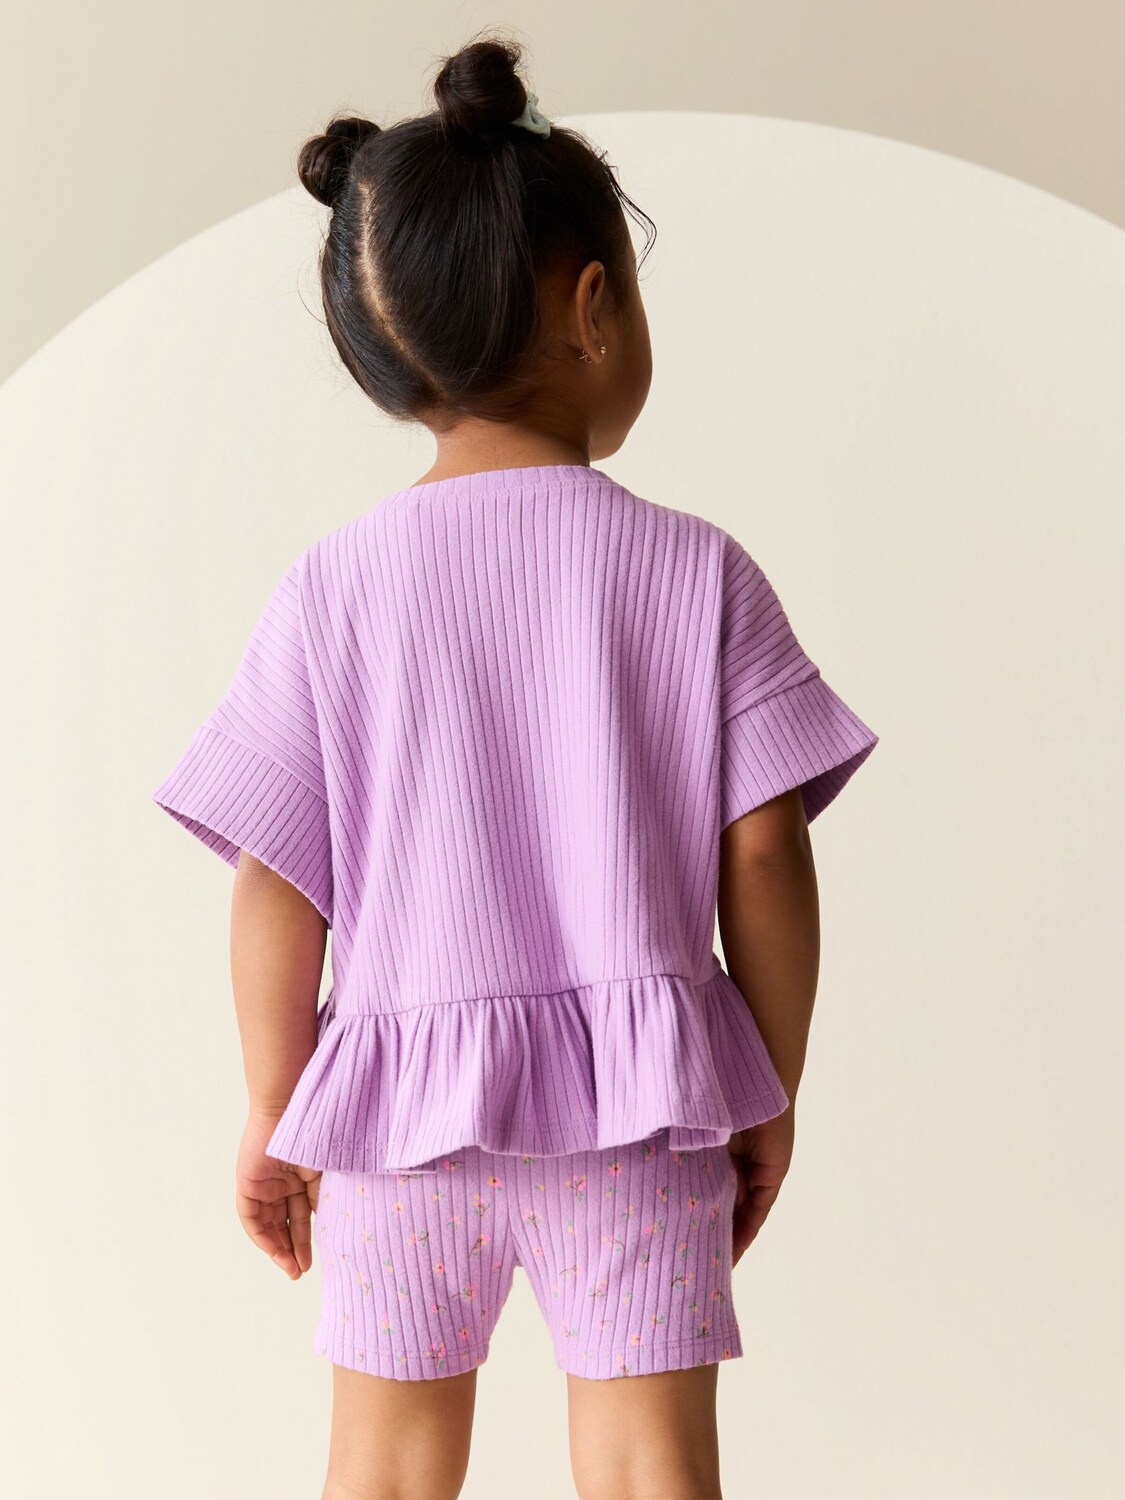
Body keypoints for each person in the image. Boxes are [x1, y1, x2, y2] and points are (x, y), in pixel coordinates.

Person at [151, 30, 879, 1500]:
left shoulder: (332, 590)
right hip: (643, 1113)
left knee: (384, 1473)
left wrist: (275, 1106)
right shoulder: (695, 573)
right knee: (650, 1471)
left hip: (397, 1127)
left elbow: (277, 878)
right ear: (594, 307)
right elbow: (763, 851)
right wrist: (766, 1082)